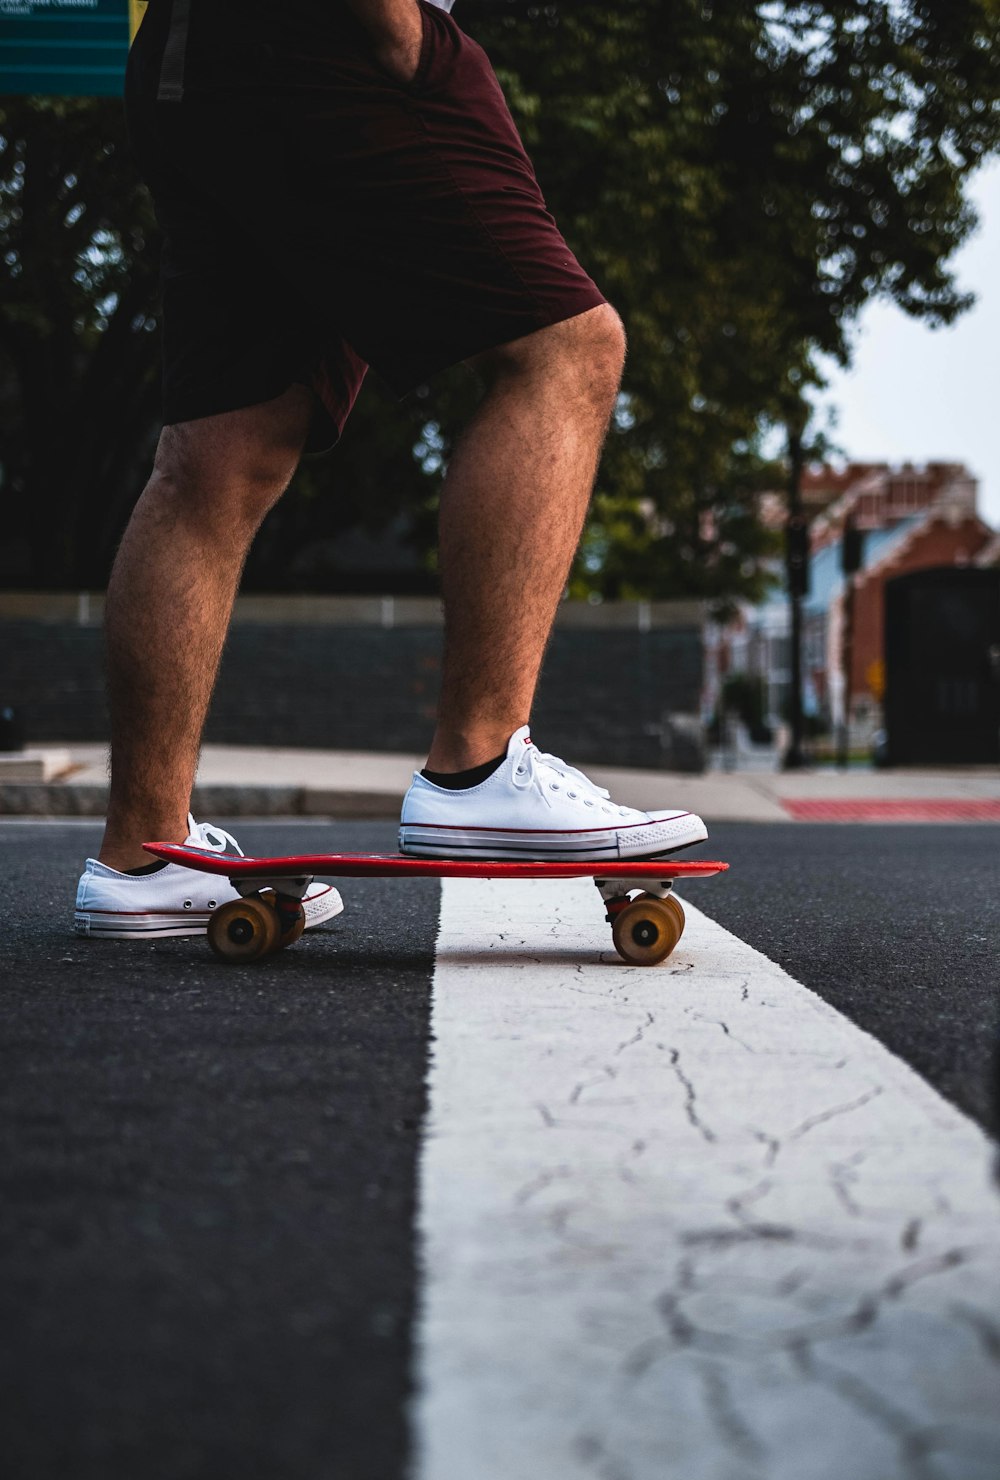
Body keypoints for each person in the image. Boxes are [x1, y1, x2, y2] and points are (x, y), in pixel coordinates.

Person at [74, 0, 708, 939]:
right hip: (332, 43)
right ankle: (479, 770)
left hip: (185, 55)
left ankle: (143, 852)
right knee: (566, 352)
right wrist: (397, 30)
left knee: (218, 460)